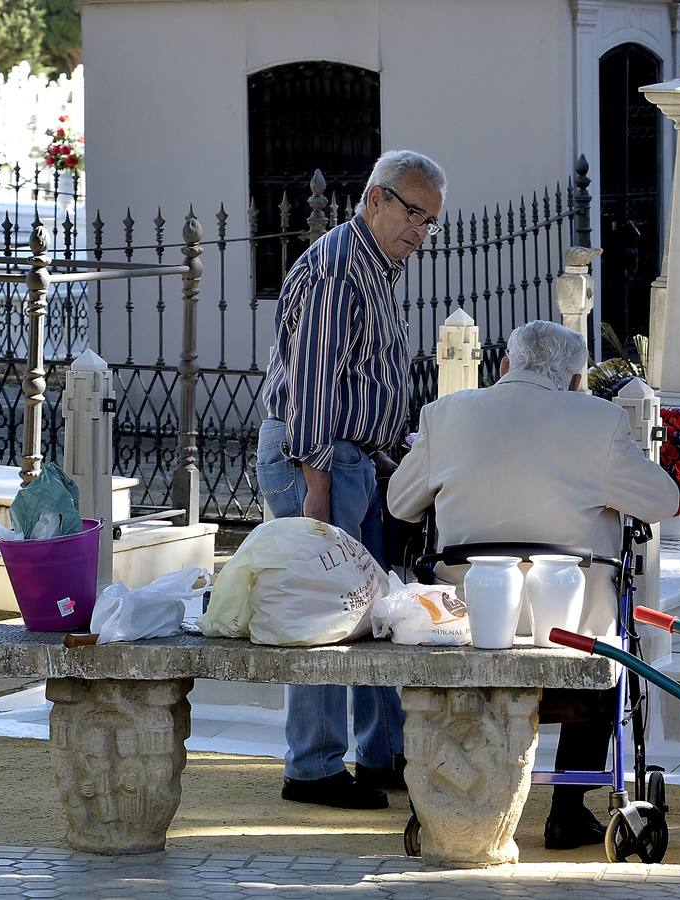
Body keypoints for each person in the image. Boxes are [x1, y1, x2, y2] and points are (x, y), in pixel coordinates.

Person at [386, 320, 680, 849]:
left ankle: (449, 798)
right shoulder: (599, 420)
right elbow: (662, 502)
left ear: (504, 366)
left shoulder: (446, 415)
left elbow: (400, 504)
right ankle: (568, 809)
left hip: (469, 622)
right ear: (574, 380)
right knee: (603, 621)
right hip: (568, 630)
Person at [256, 149, 447, 810]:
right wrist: (316, 489)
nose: (421, 231)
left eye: (430, 221)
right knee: (320, 610)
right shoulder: (341, 267)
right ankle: (309, 767)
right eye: (414, 213)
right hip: (318, 460)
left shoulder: (373, 264)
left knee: (368, 609)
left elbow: (362, 381)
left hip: (351, 460)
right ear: (375, 199)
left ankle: (376, 753)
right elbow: (311, 388)